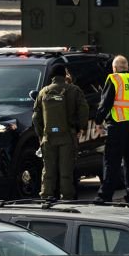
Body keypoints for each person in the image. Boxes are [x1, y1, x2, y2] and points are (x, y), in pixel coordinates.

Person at [32, 64, 90, 202]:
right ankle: (67, 198)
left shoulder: (43, 92)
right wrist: (81, 127)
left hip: (48, 138)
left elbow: (35, 117)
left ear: (52, 76)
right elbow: (84, 109)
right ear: (64, 75)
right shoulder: (74, 90)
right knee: (66, 171)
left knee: (48, 171)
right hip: (67, 137)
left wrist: (41, 135)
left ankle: (46, 196)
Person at [98, 56, 129, 205]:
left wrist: (98, 121)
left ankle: (105, 196)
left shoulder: (114, 79)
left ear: (114, 68)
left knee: (112, 161)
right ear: (126, 67)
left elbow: (106, 103)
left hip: (118, 125)